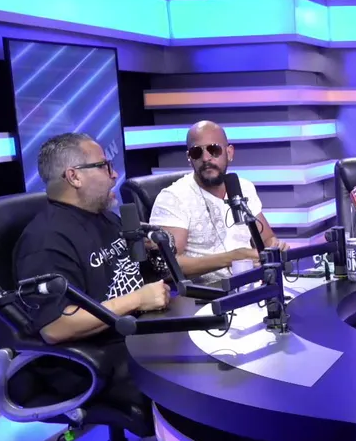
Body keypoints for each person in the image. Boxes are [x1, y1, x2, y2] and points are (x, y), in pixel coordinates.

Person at [14, 132, 170, 401]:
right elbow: (55, 326)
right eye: (104, 166)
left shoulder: (106, 219)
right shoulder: (45, 241)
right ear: (74, 176)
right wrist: (137, 299)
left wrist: (154, 251)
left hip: (135, 336)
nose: (114, 174)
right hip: (96, 361)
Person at [149, 121, 285, 283]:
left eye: (214, 150)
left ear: (229, 153)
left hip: (253, 284)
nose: (206, 158)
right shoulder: (173, 197)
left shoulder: (244, 187)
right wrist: (232, 258)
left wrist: (275, 246)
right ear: (189, 158)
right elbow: (167, 267)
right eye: (196, 152)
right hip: (206, 292)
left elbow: (267, 239)